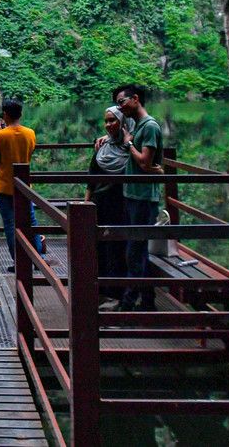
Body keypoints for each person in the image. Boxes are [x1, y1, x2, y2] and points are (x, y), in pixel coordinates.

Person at [117, 84, 162, 311]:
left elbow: (145, 162)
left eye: (122, 102)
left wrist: (129, 144)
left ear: (135, 99)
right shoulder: (138, 126)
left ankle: (128, 304)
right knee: (137, 250)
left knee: (135, 252)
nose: (120, 107)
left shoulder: (150, 126)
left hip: (144, 198)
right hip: (133, 195)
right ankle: (147, 302)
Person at [88, 105, 133, 307]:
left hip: (121, 204)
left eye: (112, 120)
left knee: (118, 248)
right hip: (99, 203)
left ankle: (118, 292)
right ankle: (101, 290)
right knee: (100, 247)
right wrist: (86, 202)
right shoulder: (102, 147)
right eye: (106, 121)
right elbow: (91, 177)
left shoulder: (131, 147)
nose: (108, 125)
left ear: (123, 122)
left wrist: (129, 144)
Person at [0, 99, 43, 270]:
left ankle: (19, 262)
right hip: (25, 185)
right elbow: (31, 151)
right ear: (20, 114)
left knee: (10, 224)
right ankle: (38, 259)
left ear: (5, 114)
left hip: (5, 185)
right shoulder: (30, 133)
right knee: (31, 222)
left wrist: (1, 132)